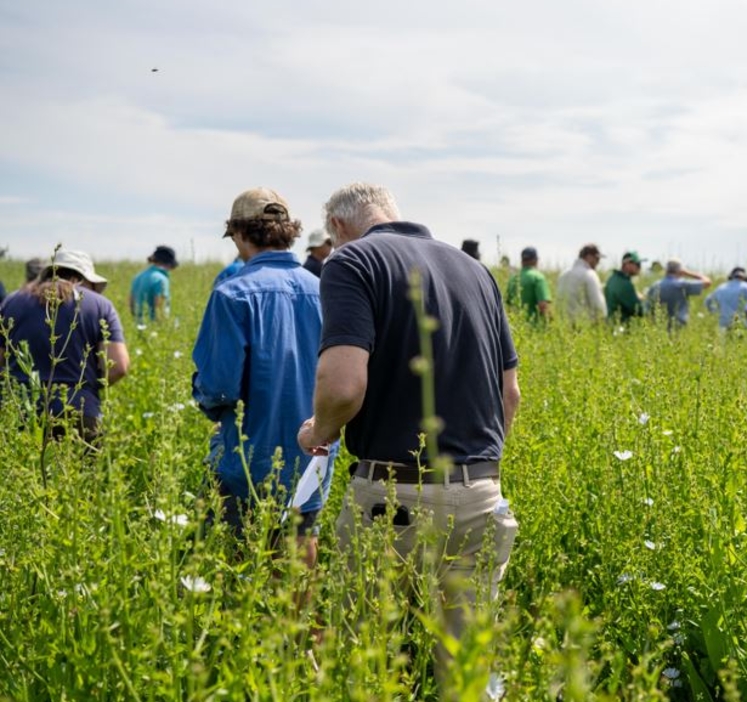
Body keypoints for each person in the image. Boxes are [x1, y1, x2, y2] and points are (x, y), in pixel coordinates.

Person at [296, 182, 520, 669]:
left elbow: (342, 387)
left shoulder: (351, 262)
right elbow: (511, 396)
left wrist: (320, 433)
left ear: (337, 228)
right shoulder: (476, 270)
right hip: (482, 494)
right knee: (468, 674)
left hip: (393, 500)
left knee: (364, 662)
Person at [191, 188, 335, 561]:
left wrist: (202, 395)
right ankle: (297, 619)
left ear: (239, 233)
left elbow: (218, 387)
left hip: (246, 454)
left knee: (237, 555)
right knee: (300, 545)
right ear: (290, 232)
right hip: (312, 454)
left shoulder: (232, 294)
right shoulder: (325, 292)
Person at [0, 250, 129, 445]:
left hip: (19, 411)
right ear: (83, 278)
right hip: (80, 412)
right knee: (83, 473)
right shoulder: (101, 305)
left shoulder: (12, 302)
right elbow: (119, 366)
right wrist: (89, 387)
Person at [644, 258, 711, 330]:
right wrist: (688, 273)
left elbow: (648, 306)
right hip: (679, 325)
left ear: (666, 270)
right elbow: (707, 282)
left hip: (659, 326)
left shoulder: (655, 285)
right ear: (680, 271)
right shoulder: (682, 285)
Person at [556, 243, 607, 324]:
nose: (598, 263)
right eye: (597, 259)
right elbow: (598, 305)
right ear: (589, 257)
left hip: (563, 326)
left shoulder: (563, 274)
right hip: (583, 327)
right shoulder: (589, 274)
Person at [129, 245, 178, 323]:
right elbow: (159, 306)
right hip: (154, 326)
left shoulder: (138, 277)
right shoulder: (161, 279)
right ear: (169, 264)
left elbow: (131, 302)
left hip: (138, 324)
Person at [507, 246, 552, 322]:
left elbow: (507, 305)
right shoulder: (538, 277)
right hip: (535, 328)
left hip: (516, 327)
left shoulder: (513, 279)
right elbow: (543, 305)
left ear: (522, 261)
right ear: (535, 260)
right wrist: (551, 323)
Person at [605, 251, 645, 323]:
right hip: (622, 327)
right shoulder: (625, 284)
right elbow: (638, 310)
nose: (639, 267)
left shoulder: (612, 278)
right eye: (637, 264)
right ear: (627, 264)